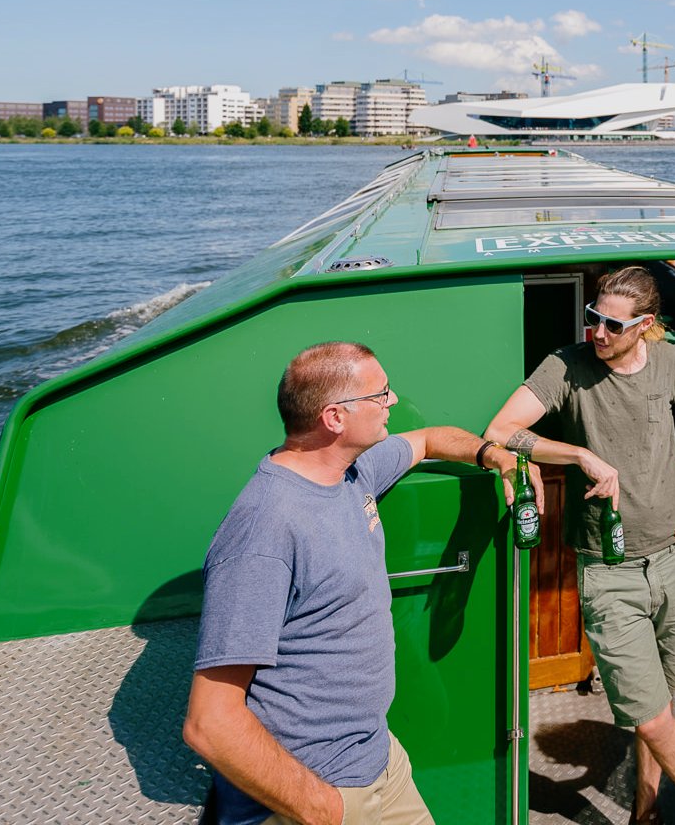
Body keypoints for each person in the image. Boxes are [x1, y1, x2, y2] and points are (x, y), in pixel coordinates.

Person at [184, 340, 532, 825]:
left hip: (380, 764)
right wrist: (323, 809)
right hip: (319, 790)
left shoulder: (351, 471)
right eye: (380, 394)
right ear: (335, 418)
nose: (392, 401)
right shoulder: (264, 530)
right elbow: (211, 724)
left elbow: (429, 439)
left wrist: (493, 455)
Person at [483, 266, 675, 825]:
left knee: (664, 702)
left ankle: (644, 811)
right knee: (649, 718)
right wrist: (576, 455)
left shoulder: (671, 363)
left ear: (644, 325)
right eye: (591, 317)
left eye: (610, 324)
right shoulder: (566, 367)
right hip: (610, 569)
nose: (596, 332)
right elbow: (501, 430)